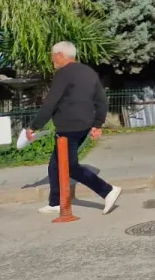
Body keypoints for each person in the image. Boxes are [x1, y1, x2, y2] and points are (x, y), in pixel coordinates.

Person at [26, 41, 122, 216]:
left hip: (68, 127)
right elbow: (102, 100)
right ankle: (55, 202)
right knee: (55, 164)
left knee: (69, 166)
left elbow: (50, 103)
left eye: (53, 56)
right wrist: (97, 124)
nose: (52, 60)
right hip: (84, 125)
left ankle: (107, 190)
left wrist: (34, 126)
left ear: (61, 55)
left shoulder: (63, 74)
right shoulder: (88, 71)